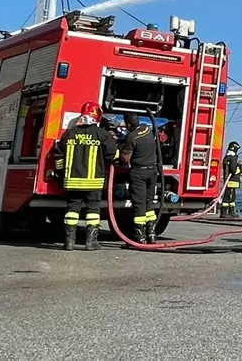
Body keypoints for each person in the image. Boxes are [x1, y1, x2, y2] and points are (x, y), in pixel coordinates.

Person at [50, 102, 118, 251]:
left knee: (72, 209)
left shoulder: (69, 133)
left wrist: (61, 173)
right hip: (93, 182)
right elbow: (113, 154)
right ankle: (90, 242)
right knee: (93, 210)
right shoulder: (102, 134)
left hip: (72, 181)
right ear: (97, 116)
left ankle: (68, 242)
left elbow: (58, 155)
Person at [120, 112, 160, 244]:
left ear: (128, 124)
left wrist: (120, 151)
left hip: (139, 174)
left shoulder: (131, 137)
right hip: (152, 171)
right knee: (149, 203)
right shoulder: (147, 129)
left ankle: (140, 236)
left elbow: (125, 159)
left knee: (139, 205)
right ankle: (152, 234)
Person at [218, 141, 242, 218]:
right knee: (230, 197)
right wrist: (240, 168)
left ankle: (228, 212)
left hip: (229, 181)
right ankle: (227, 212)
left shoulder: (227, 157)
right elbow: (234, 170)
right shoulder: (232, 158)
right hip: (232, 181)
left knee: (229, 196)